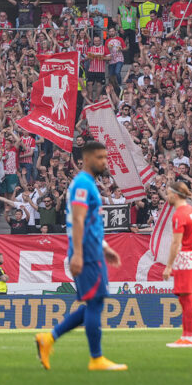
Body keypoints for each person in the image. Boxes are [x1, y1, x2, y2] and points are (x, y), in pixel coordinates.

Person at [34, 140, 127, 371]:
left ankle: (49, 338)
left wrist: (105, 247)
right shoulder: (83, 183)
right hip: (86, 253)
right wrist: (77, 254)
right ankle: (96, 358)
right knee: (95, 303)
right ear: (86, 159)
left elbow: (90, 222)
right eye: (99, 157)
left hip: (92, 250)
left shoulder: (88, 183)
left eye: (105, 157)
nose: (104, 162)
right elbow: (77, 219)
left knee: (93, 302)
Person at [162, 180, 192, 348]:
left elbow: (175, 243)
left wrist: (169, 265)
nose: (167, 197)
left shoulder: (180, 214)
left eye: (169, 194)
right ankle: (186, 336)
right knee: (186, 297)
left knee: (187, 297)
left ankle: (190, 337)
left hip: (186, 257)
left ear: (175, 195)